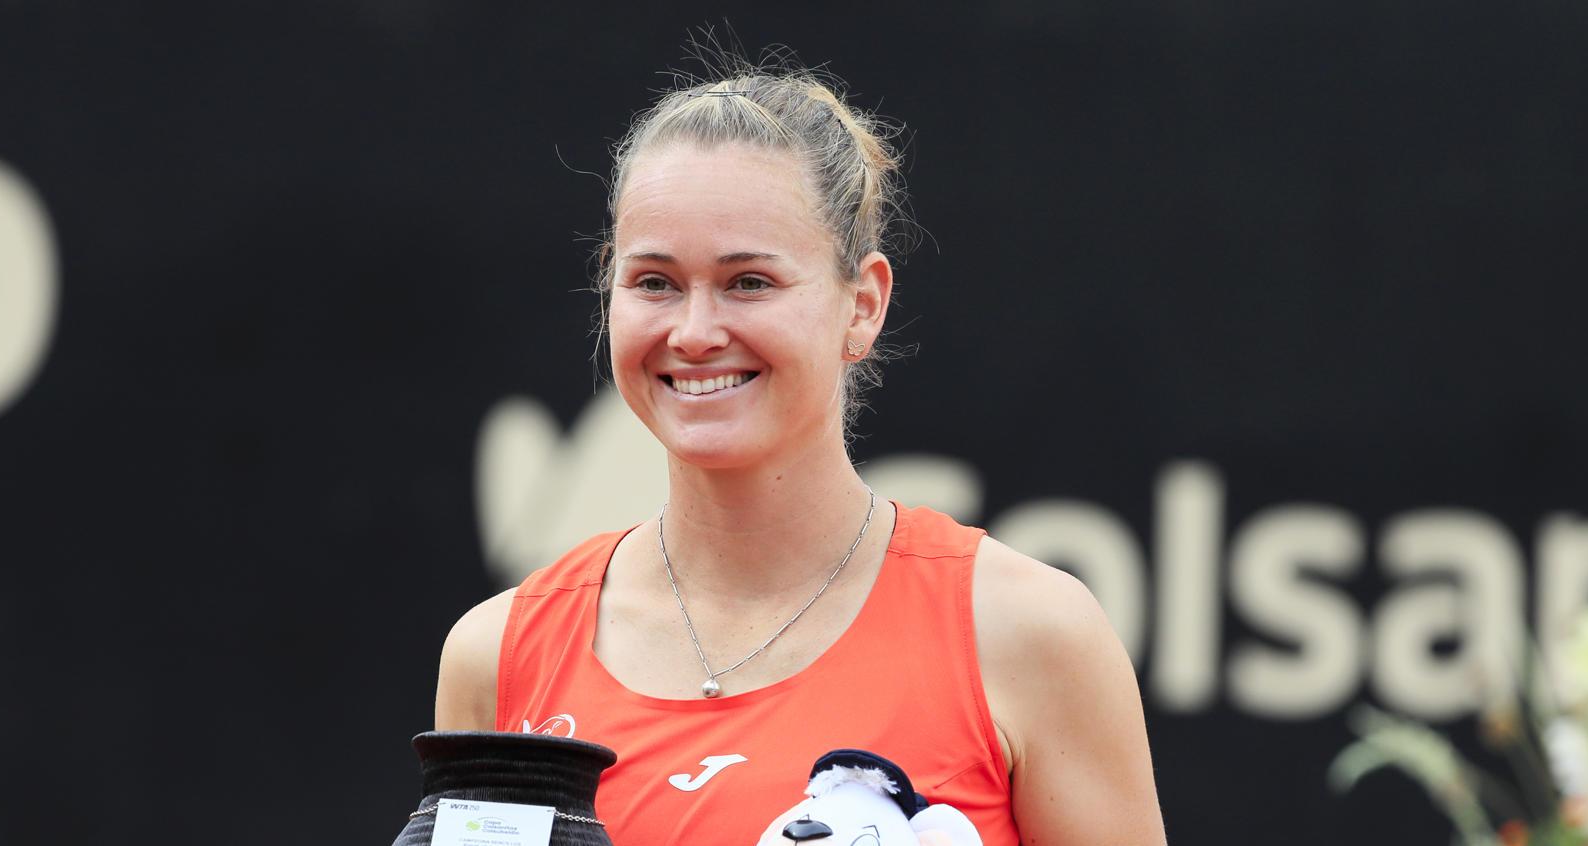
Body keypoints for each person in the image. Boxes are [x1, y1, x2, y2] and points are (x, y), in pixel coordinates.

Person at [433, 57, 1167, 845]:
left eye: (748, 282)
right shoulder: (496, 652)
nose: (693, 332)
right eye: (653, 282)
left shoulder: (1029, 633)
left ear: (863, 305)